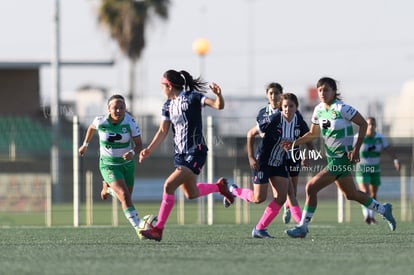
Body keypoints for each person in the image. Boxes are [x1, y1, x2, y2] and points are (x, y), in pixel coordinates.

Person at [283, 77, 396, 238]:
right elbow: (313, 134)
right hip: (332, 159)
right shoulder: (319, 110)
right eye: (320, 89)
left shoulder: (342, 108)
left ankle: (303, 226)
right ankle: (384, 209)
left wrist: (356, 150)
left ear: (334, 91)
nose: (322, 92)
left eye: (326, 89)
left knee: (311, 187)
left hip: (342, 158)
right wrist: (294, 143)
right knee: (351, 195)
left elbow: (363, 124)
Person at [138, 69, 234, 242]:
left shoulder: (192, 97)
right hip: (180, 156)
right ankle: (220, 188)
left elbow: (219, 106)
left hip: (195, 152)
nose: (162, 89)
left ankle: (158, 229)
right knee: (191, 193)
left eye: (162, 85)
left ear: (169, 85)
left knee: (168, 185)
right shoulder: (167, 105)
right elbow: (162, 131)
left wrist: (219, 95)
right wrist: (148, 150)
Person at [225, 82, 312, 226]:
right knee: (258, 198)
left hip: (282, 160)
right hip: (264, 160)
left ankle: (297, 225)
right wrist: (251, 157)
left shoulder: (298, 120)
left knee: (288, 194)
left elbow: (309, 138)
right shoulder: (271, 117)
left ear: (296, 108)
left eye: (291, 106)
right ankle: (234, 190)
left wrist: (307, 154)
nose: (288, 109)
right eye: (285, 106)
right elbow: (251, 133)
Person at [79, 94, 143, 237]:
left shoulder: (130, 122)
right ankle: (139, 228)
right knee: (124, 196)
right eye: (115, 108)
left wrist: (132, 152)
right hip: (109, 166)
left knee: (126, 199)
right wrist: (85, 145)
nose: (119, 111)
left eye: (122, 107)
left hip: (127, 165)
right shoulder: (100, 121)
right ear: (108, 109)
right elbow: (91, 128)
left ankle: (107, 188)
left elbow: (139, 145)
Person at [355, 117, 400, 224]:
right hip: (362, 168)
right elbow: (349, 149)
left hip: (375, 169)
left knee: (373, 194)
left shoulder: (380, 137)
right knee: (364, 192)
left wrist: (395, 160)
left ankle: (372, 216)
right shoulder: (359, 137)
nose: (371, 126)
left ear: (375, 126)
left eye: (373, 124)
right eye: (368, 124)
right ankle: (367, 216)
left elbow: (389, 149)